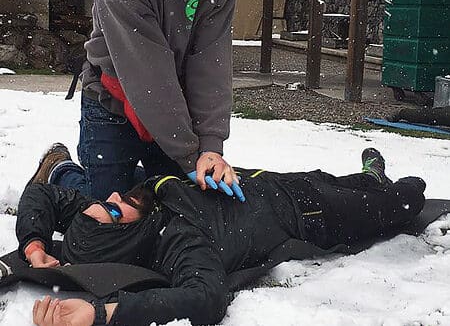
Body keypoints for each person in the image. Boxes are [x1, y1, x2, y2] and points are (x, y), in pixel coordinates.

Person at [19, 146, 426, 326]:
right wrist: (105, 315)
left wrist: (35, 246)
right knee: (407, 198)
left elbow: (41, 193)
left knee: (335, 180)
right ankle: (381, 183)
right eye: (113, 210)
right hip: (309, 214)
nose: (112, 196)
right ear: (122, 237)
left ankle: (371, 176)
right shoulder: (178, 239)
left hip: (268, 179)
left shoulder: (140, 203)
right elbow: (205, 298)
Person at [75, 0, 240, 200]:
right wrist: (191, 156)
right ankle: (59, 173)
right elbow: (148, 74)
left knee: (172, 206)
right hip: (113, 102)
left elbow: (211, 60)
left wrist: (210, 147)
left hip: (172, 104)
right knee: (109, 213)